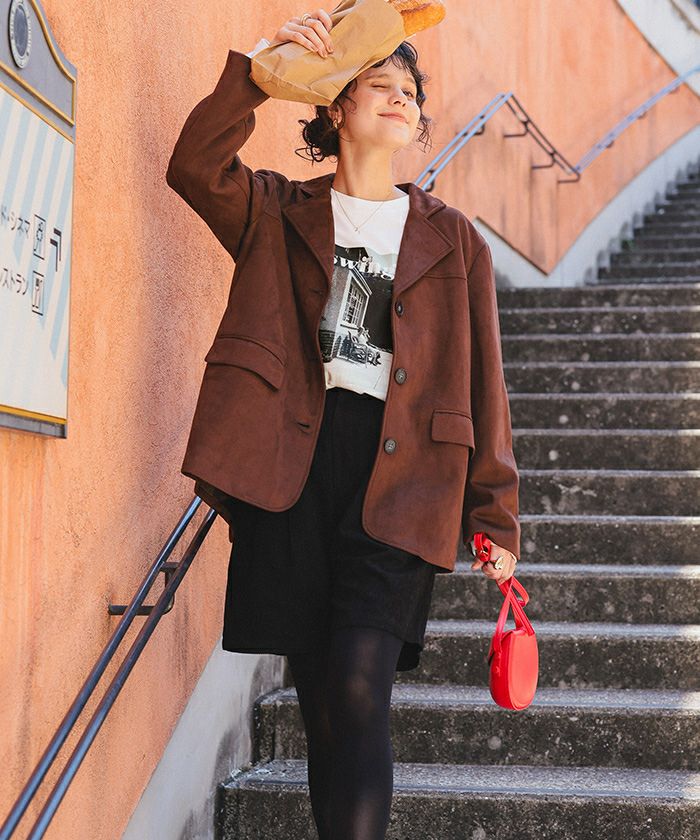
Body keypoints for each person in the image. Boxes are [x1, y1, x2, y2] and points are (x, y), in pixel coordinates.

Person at [166, 9, 519, 839]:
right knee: (324, 696)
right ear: (335, 106)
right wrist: (266, 66)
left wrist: (494, 511)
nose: (401, 99)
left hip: (407, 479)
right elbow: (193, 164)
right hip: (289, 468)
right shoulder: (275, 211)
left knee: (360, 684)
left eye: (410, 92)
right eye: (379, 84)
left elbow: (484, 381)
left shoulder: (453, 240)